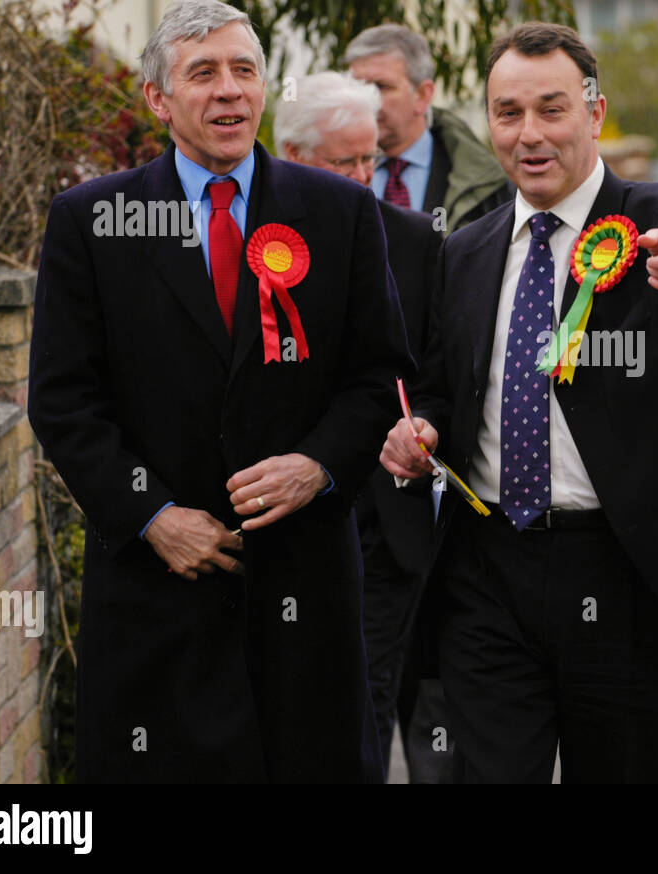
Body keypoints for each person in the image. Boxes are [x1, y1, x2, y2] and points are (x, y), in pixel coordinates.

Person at [379, 21, 658, 784]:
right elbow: (443, 385)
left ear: (595, 114)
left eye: (552, 109)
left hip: (627, 567)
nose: (530, 134)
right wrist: (420, 429)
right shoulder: (466, 251)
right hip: (489, 573)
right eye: (508, 114)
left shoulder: (656, 214)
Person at [28, 0, 413, 782]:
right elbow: (64, 401)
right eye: (203, 74)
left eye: (244, 70)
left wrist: (316, 465)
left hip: (304, 588)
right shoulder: (91, 221)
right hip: (159, 594)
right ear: (159, 100)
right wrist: (154, 517)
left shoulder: (337, 212)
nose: (229, 91)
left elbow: (379, 378)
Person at [273, 70, 447, 782]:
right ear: (289, 154)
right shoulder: (252, 243)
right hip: (285, 518)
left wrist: (427, 428)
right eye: (340, 161)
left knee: (368, 707)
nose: (359, 176)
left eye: (369, 159)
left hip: (387, 523)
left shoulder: (412, 239)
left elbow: (436, 370)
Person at [345, 24, 512, 231]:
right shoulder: (327, 168)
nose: (365, 100)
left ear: (423, 95)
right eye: (356, 87)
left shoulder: (484, 184)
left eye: (381, 87)